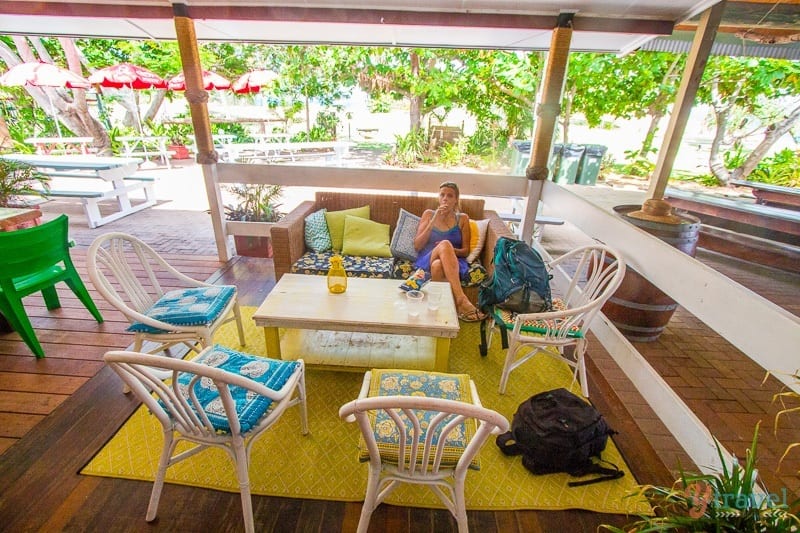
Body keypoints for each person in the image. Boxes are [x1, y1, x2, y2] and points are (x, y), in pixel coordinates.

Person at [413, 181, 487, 322]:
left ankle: (441, 312)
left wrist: (448, 251)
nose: (445, 198)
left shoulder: (463, 219)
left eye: (450, 196)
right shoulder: (429, 214)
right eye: (442, 195)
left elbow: (465, 251)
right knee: (444, 245)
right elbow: (417, 245)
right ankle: (461, 300)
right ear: (438, 198)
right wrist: (433, 220)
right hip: (428, 256)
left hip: (453, 261)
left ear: (456, 200)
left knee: (438, 265)